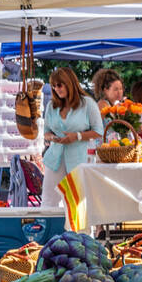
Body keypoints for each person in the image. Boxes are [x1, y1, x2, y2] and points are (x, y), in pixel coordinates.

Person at [40, 66, 103, 210]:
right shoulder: (52, 106)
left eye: (60, 85)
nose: (57, 89)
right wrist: (53, 138)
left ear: (69, 83)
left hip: (79, 158)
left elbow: (99, 131)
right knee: (48, 201)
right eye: (54, 86)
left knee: (79, 202)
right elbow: (46, 132)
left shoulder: (87, 104)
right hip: (55, 159)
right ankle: (50, 232)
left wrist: (77, 136)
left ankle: (81, 232)